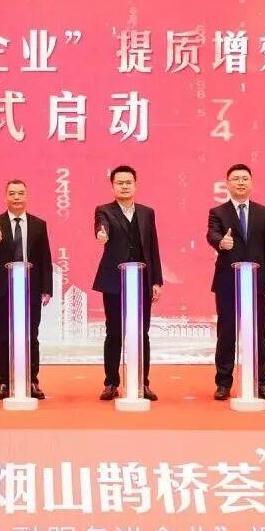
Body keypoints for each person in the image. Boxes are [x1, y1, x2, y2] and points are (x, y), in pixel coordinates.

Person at [207, 163, 265, 402]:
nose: (240, 182)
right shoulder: (218, 212)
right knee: (226, 333)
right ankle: (223, 382)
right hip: (228, 282)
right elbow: (212, 234)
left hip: (256, 282)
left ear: (251, 183)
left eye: (244, 178)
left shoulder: (264, 212)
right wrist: (221, 242)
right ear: (227, 184)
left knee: (257, 333)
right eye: (236, 178)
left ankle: (261, 382)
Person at [92, 165, 163, 401]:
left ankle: (143, 382)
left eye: (128, 182)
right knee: (114, 332)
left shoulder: (147, 213)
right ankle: (111, 383)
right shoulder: (104, 210)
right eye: (119, 183)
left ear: (135, 185)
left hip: (142, 281)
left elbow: (152, 247)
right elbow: (101, 226)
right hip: (114, 281)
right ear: (112, 186)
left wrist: (156, 280)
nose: (124, 186)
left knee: (142, 333)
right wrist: (101, 234)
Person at [0, 180, 53, 400]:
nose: (17, 197)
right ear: (6, 197)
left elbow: (45, 257)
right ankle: (3, 382)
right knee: (4, 336)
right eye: (12, 193)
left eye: (20, 193)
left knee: (31, 335)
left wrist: (47, 288)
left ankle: (32, 380)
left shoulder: (39, 224)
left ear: (26, 196)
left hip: (31, 286)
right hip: (4, 287)